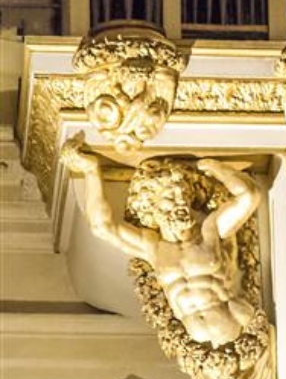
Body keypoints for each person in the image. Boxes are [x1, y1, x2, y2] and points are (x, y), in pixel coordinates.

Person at [60, 132, 261, 347]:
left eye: (183, 195)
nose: (180, 203)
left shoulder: (210, 230)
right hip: (196, 337)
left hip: (230, 325)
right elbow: (103, 227)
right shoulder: (153, 248)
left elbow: (249, 196)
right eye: (170, 198)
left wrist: (217, 169)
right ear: (153, 207)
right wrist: (91, 171)